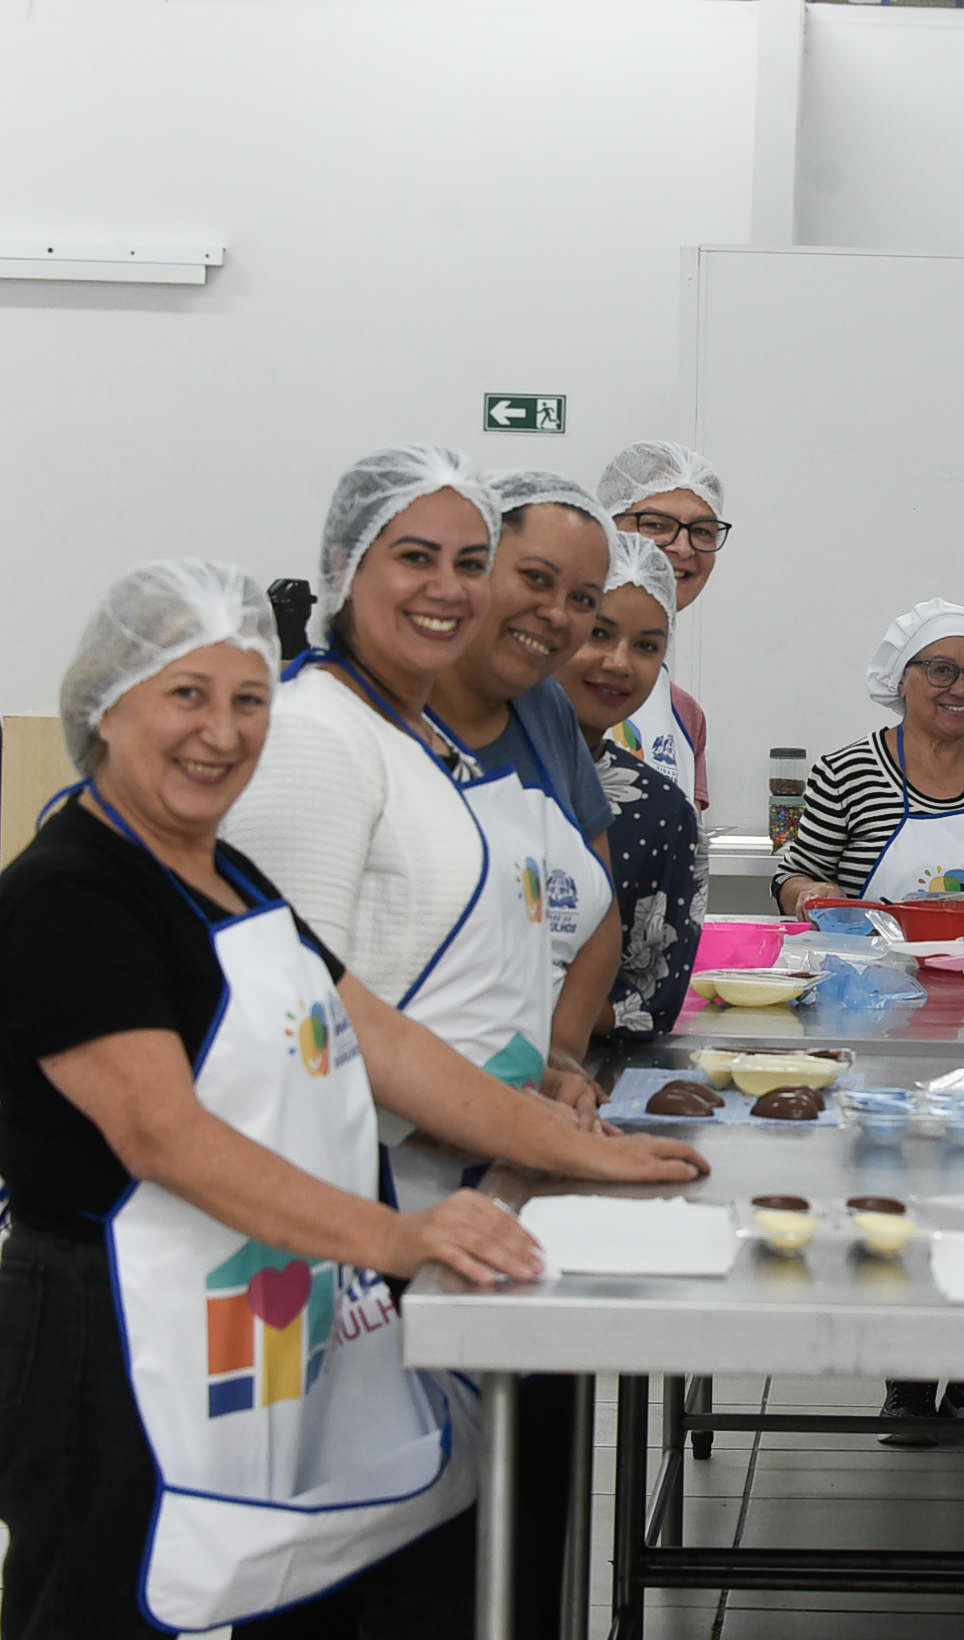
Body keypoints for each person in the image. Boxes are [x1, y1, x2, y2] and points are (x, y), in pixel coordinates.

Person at [0, 559, 704, 1640]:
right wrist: (398, 1236)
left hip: (240, 1303)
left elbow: (386, 1042)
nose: (222, 732)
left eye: (249, 700)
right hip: (108, 1327)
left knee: (249, 1585)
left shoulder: (224, 874)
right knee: (105, 1602)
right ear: (106, 705)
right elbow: (162, 1134)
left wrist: (578, 1148)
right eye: (186, 695)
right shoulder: (69, 891)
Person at [224, 447, 598, 1159]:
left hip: (449, 1165)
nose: (448, 589)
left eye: (470, 564)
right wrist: (509, 1119)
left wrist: (524, 1074)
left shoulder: (423, 740)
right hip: (354, 1177)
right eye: (416, 558)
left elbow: (417, 984)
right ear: (345, 567)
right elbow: (299, 1021)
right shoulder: (313, 736)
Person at [429, 468, 623, 1065]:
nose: (558, 614)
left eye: (584, 600)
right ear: (473, 567)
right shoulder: (375, 720)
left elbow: (600, 909)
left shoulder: (546, 709)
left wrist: (559, 1058)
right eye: (536, 578)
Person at [773, 599, 964, 929]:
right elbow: (792, 877)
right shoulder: (846, 774)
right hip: (879, 961)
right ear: (900, 679)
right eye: (941, 670)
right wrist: (812, 892)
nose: (961, 689)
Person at [555, 534, 708, 1039]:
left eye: (646, 646)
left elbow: (650, 1001)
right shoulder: (466, 770)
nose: (619, 663)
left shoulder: (662, 813)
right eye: (598, 633)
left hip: (586, 1074)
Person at [597, 440, 728, 808]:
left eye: (703, 531)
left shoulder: (684, 713)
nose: (683, 548)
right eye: (656, 524)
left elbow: (686, 839)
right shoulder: (539, 682)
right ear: (603, 528)